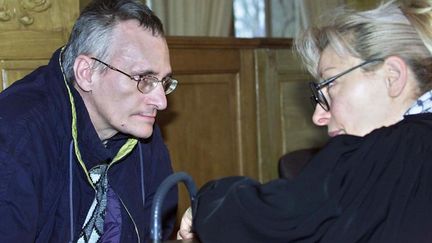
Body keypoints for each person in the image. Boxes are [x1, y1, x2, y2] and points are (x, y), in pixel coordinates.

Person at [177, 0, 432, 242]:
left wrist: (208, 201)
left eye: (330, 86)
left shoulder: (380, 153)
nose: (318, 117)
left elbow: (266, 220)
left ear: (393, 76)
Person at [0, 0, 178, 242]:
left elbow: (156, 232)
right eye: (143, 78)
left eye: (163, 81)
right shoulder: (16, 136)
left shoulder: (142, 130)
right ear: (87, 72)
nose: (161, 101)